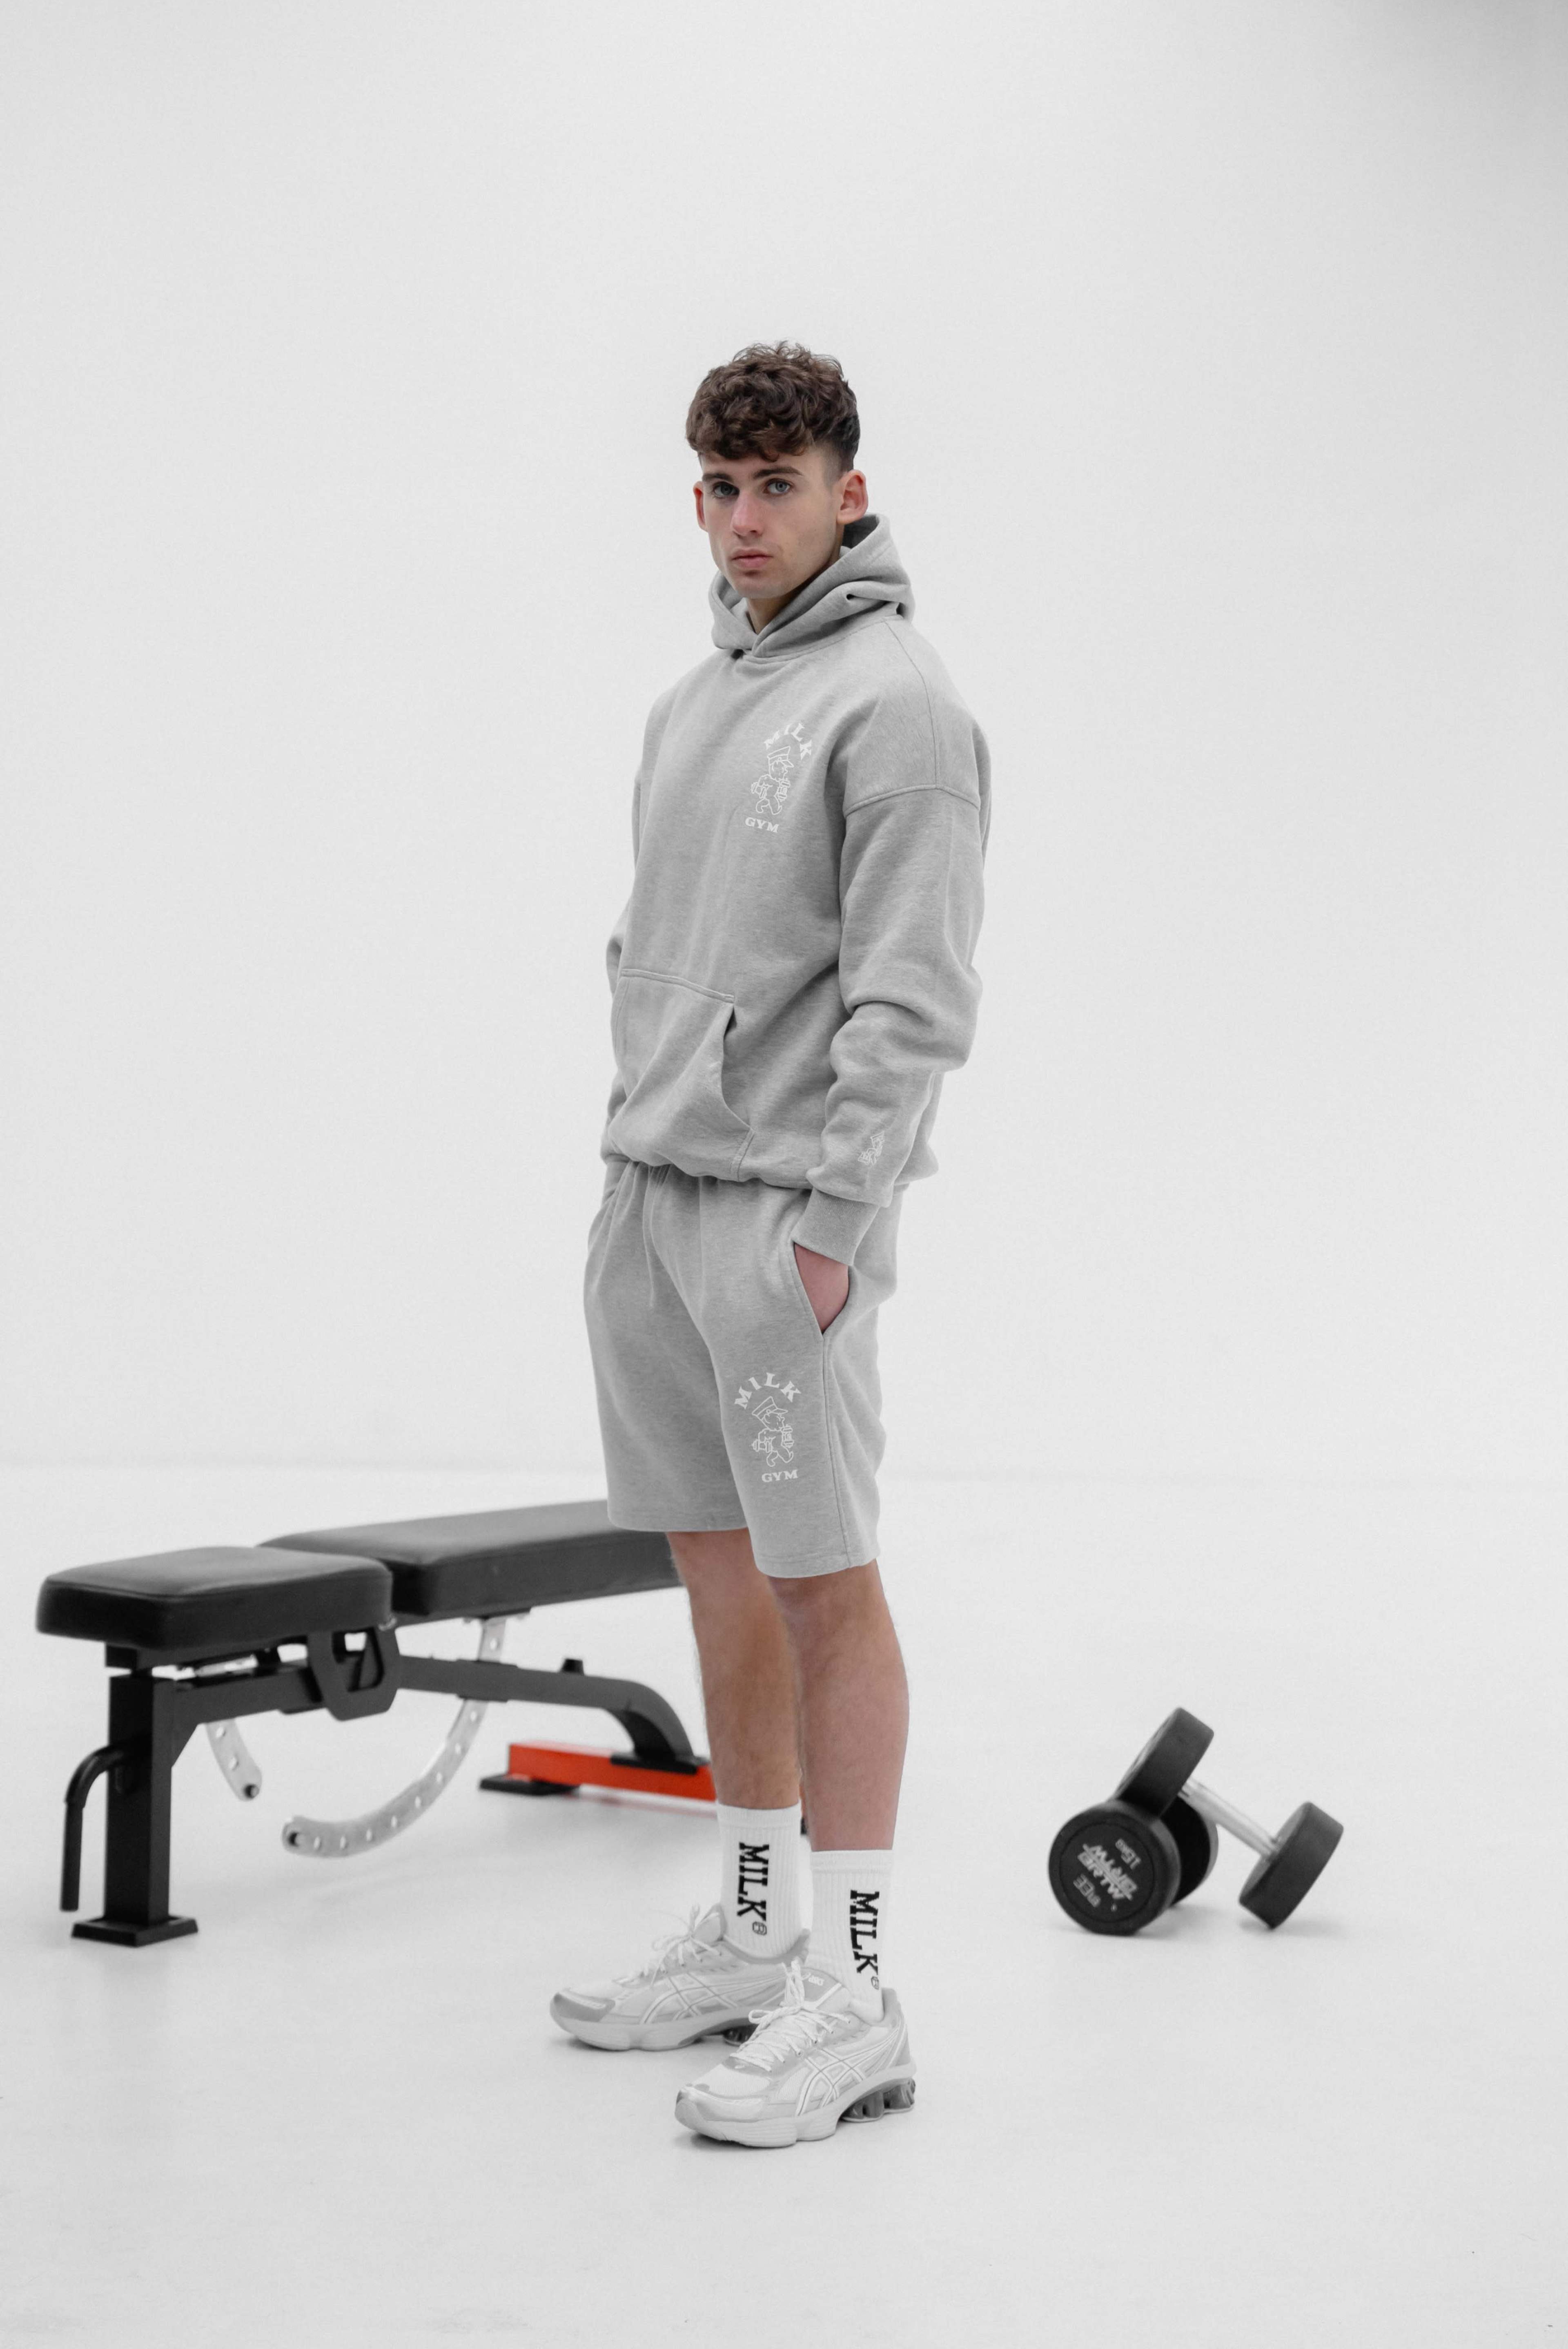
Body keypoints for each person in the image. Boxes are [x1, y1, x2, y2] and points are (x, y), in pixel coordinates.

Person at [552, 341, 991, 2148]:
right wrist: (631, 1155)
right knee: (718, 1574)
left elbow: (916, 1000)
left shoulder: (901, 710)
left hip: (779, 1226)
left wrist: (832, 1229)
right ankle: (755, 1933)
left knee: (824, 1583)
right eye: (723, 490)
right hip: (651, 1200)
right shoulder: (689, 702)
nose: (746, 522)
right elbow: (651, 946)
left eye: (780, 487)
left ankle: (859, 1993)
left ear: (848, 492)